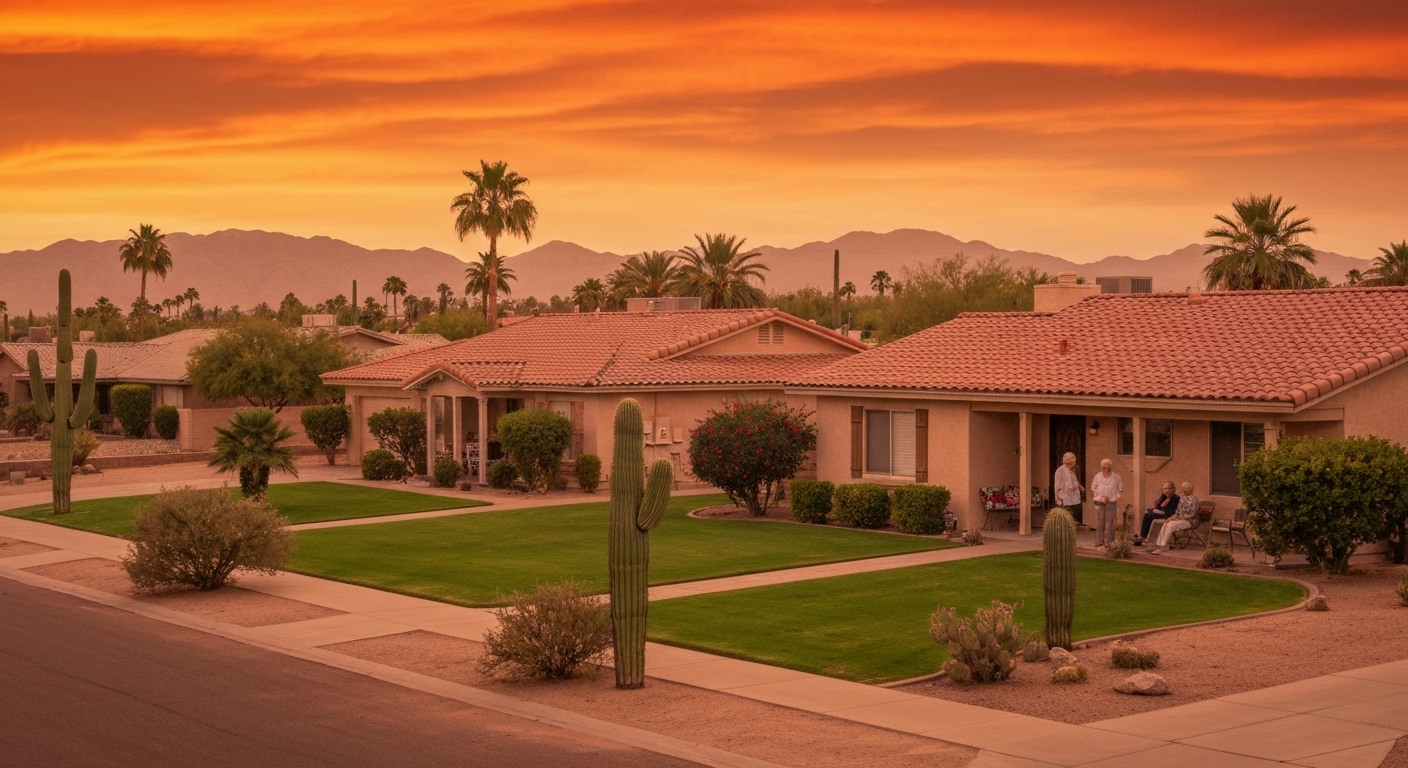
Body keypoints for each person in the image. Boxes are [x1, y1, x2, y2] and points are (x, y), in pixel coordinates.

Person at [1149, 482, 1200, 555]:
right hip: (1180, 519)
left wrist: (1179, 517)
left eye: (1185, 489)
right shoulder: (1182, 499)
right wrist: (1172, 517)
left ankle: (1163, 546)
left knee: (1171, 525)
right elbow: (1178, 511)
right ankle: (1158, 545)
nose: (1183, 490)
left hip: (1189, 521)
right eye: (1183, 489)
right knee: (1166, 523)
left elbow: (1192, 515)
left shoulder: (1194, 500)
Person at [1088, 459, 1122, 547]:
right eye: (1104, 465)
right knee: (1100, 521)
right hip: (1101, 501)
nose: (1105, 466)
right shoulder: (1097, 476)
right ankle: (1099, 540)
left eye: (1107, 464)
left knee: (1111, 522)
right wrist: (1100, 497)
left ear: (1110, 466)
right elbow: (1093, 488)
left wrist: (1113, 498)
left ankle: (1110, 541)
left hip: (1112, 501)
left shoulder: (1116, 477)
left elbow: (1120, 489)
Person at [1134, 481, 1180, 546]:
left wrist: (1157, 511)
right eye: (1164, 489)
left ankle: (1144, 536)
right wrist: (1154, 509)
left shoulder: (1175, 498)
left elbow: (1170, 511)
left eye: (1168, 489)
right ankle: (1145, 536)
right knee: (1148, 513)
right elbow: (1157, 506)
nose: (1166, 491)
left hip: (1168, 516)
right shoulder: (1164, 497)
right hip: (1160, 514)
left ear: (1173, 489)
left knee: (1148, 515)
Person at [1053, 452, 1084, 518]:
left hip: (1075, 501)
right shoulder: (1060, 471)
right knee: (1068, 520)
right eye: (1068, 460)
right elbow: (1061, 487)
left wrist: (1079, 486)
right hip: (1066, 502)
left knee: (1075, 520)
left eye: (1072, 461)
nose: (1070, 463)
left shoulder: (1071, 471)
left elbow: (1074, 482)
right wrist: (1059, 500)